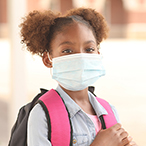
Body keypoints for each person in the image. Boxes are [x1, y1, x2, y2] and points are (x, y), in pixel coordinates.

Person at [20, 7, 138, 146]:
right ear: (48, 59)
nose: (81, 57)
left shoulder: (109, 111)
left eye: (89, 49)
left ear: (98, 54)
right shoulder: (42, 115)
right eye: (67, 50)